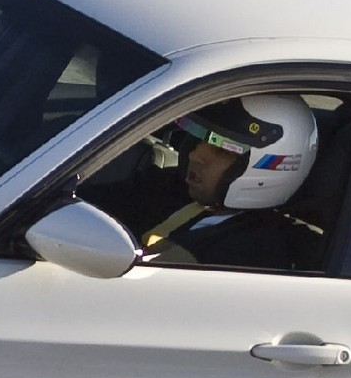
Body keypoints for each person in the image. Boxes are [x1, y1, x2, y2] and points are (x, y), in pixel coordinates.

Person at [138, 93, 323, 271]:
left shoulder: (254, 251)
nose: (194, 156)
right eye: (199, 139)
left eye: (222, 150)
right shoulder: (173, 188)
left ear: (268, 166)